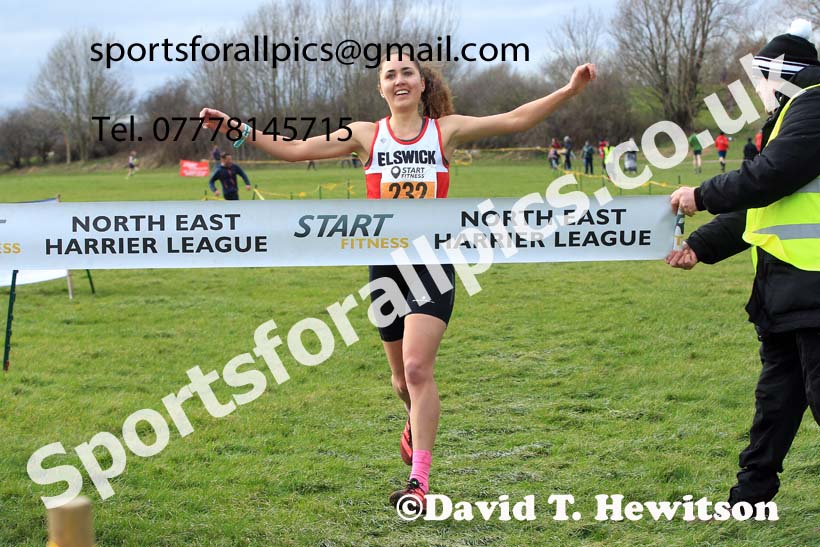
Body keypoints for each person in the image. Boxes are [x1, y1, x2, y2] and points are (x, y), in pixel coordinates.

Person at [200, 51, 596, 514]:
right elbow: (296, 148)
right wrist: (237, 130)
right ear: (381, 88)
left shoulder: (444, 130)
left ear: (422, 84)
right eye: (390, 75)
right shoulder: (366, 135)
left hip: (434, 264)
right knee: (399, 380)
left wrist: (569, 90)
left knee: (416, 369)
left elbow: (513, 118)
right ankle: (412, 421)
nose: (399, 79)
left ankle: (419, 483)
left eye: (407, 72)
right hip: (384, 268)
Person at [667, 19, 820, 506]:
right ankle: (749, 500)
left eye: (763, 76)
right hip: (785, 291)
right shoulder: (791, 114)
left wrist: (701, 194)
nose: (758, 87)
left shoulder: (815, 105)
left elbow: (769, 177)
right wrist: (702, 245)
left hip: (813, 291)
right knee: (775, 406)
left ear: (785, 73)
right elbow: (766, 206)